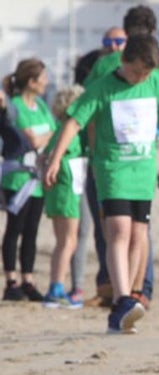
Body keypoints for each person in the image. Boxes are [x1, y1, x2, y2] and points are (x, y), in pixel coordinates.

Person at [43, 33, 159, 334]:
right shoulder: (102, 88)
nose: (140, 78)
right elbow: (73, 122)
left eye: (145, 74)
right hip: (112, 170)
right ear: (124, 61)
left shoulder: (154, 83)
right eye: (136, 71)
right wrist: (54, 158)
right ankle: (122, 301)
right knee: (119, 232)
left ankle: (126, 299)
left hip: (143, 172)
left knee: (139, 235)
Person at [88, 7, 159, 309]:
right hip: (134, 159)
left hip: (125, 160)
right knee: (132, 230)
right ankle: (133, 291)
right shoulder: (109, 68)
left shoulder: (158, 70)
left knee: (120, 229)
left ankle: (129, 291)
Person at [73, 27, 127, 306]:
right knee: (99, 229)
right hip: (95, 162)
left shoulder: (135, 78)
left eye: (120, 41)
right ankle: (107, 287)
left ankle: (129, 290)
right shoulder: (97, 72)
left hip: (127, 164)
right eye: (109, 41)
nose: (114, 46)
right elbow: (87, 118)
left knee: (128, 230)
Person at [1, 58, 54, 302]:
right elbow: (32, 140)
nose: (46, 82)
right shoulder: (16, 106)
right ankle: (11, 280)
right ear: (31, 81)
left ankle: (28, 279)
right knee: (15, 229)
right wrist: (46, 135)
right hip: (18, 178)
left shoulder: (41, 106)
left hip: (38, 178)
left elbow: (53, 132)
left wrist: (45, 136)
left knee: (31, 231)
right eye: (43, 78)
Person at [40, 85, 87, 309]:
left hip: (58, 188)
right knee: (68, 240)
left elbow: (44, 156)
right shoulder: (70, 130)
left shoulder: (58, 128)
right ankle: (56, 287)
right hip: (67, 185)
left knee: (64, 241)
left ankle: (56, 286)